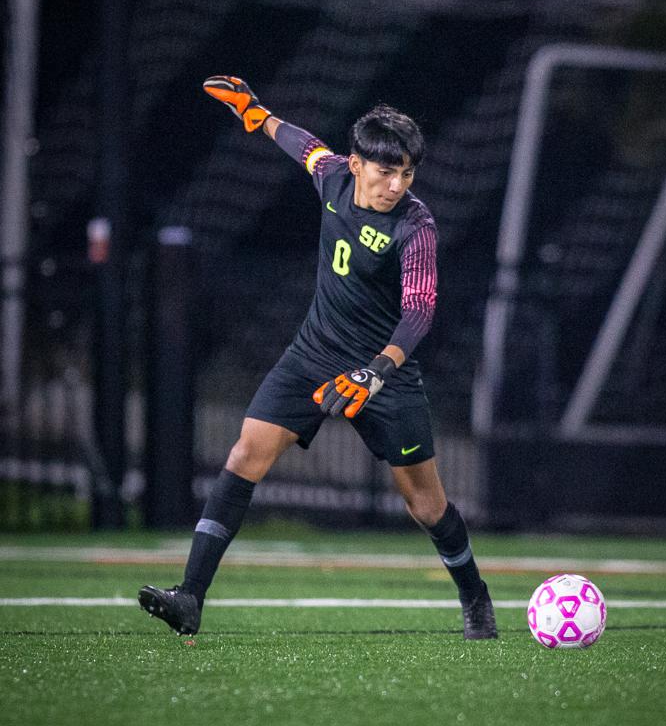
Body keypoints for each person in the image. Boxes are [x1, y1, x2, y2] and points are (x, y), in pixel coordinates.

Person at [138, 75, 497, 640]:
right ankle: (190, 598)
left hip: (386, 373)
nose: (396, 184)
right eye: (386, 171)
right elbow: (303, 145)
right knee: (245, 453)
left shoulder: (415, 225)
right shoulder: (332, 176)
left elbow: (421, 310)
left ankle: (474, 595)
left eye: (407, 173)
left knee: (426, 506)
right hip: (314, 353)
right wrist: (255, 113)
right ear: (356, 165)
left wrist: (376, 372)